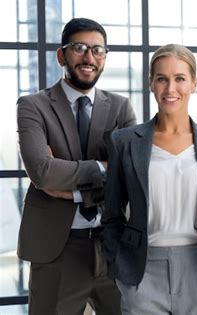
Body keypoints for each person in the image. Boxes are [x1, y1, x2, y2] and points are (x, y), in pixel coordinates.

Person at [102, 43, 197, 314]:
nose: (170, 88)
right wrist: (119, 269)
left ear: (194, 83)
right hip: (141, 269)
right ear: (151, 83)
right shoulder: (124, 142)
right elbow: (112, 216)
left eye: (179, 79)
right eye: (162, 79)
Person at [16, 17, 136, 314]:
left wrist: (74, 193)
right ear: (62, 55)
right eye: (80, 48)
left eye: (98, 50)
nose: (89, 57)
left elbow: (131, 175)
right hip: (58, 247)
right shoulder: (33, 106)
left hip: (113, 244)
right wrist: (104, 167)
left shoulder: (121, 107)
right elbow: (43, 172)